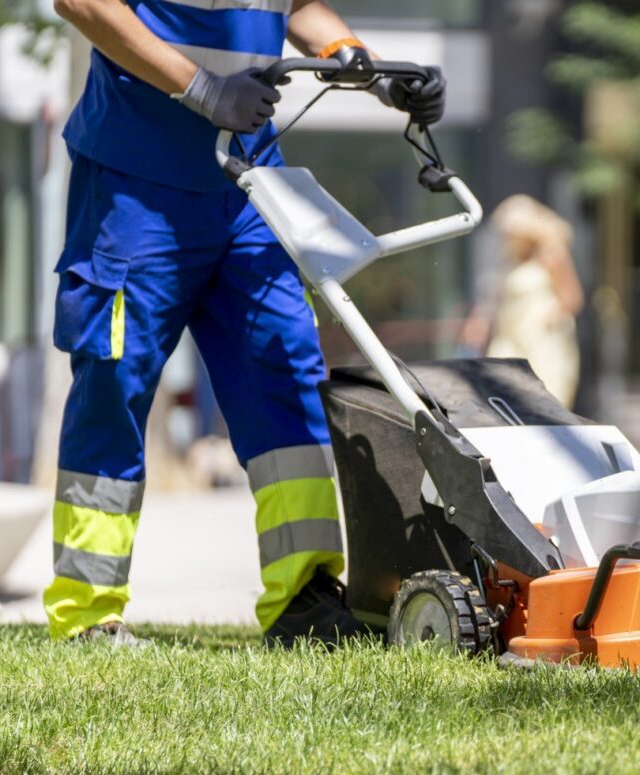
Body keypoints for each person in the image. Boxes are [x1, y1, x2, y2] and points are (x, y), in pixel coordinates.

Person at [45, 0, 445, 646]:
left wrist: (368, 69)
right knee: (112, 383)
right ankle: (88, 612)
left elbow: (299, 7)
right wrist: (202, 90)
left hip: (249, 182)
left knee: (287, 365)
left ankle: (303, 601)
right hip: (137, 183)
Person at [461, 195, 584, 407]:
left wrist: (548, 318)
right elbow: (493, 298)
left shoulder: (551, 253)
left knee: (546, 404)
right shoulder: (510, 259)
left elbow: (572, 298)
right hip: (509, 339)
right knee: (501, 397)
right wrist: (478, 323)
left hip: (542, 342)